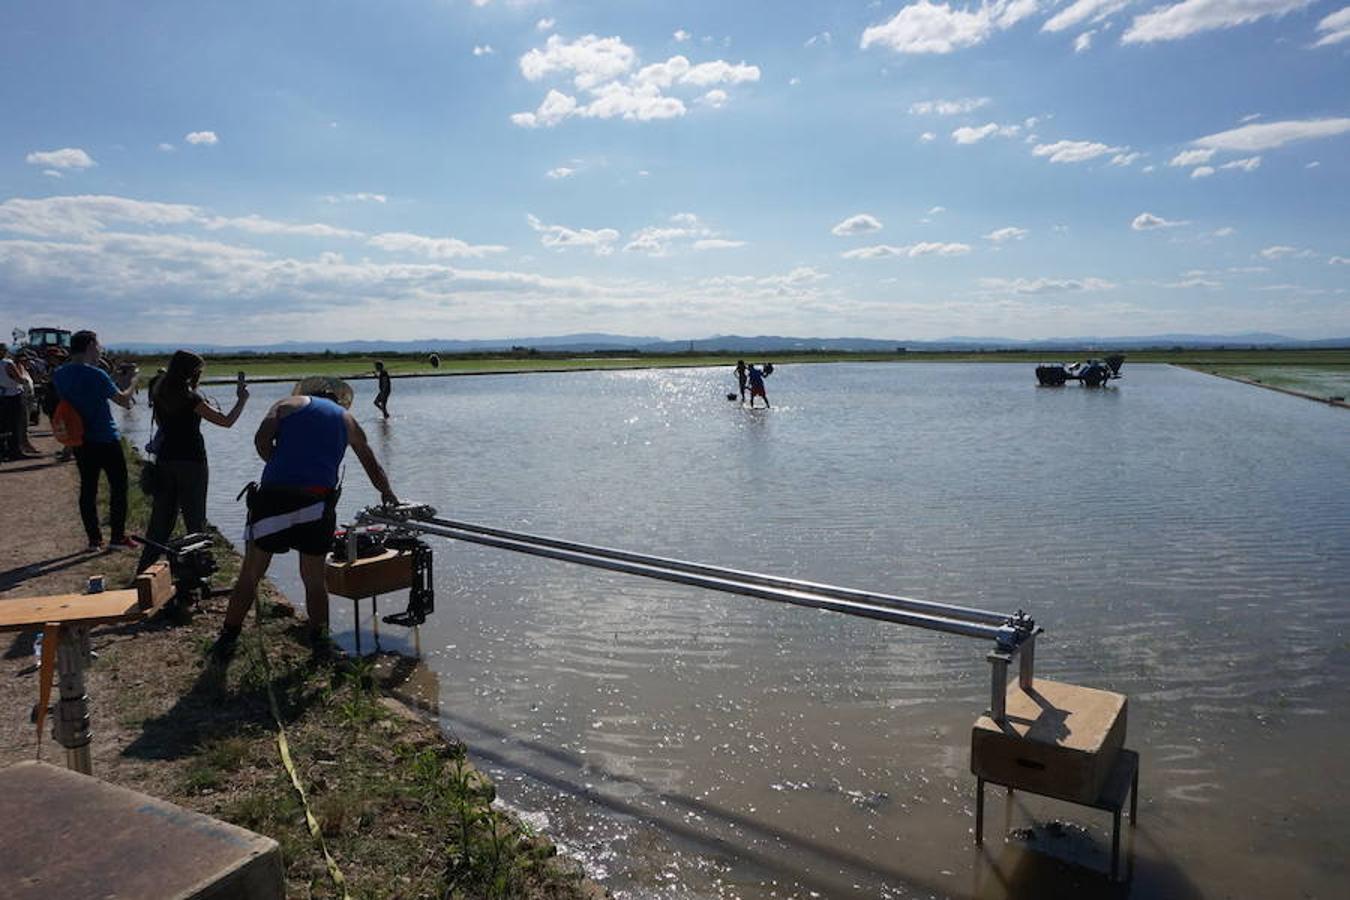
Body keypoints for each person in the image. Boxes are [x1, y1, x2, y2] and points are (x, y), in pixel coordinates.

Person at [210, 376, 398, 664]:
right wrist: (387, 492)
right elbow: (370, 462)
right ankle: (320, 645)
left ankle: (227, 638)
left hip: (274, 498)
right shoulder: (347, 420)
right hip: (317, 503)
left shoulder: (285, 404)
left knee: (251, 573)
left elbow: (261, 440)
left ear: (307, 392)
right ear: (338, 400)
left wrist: (278, 463)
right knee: (314, 579)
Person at [137, 350, 249, 572]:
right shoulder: (191, 398)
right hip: (192, 462)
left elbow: (162, 425)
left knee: (161, 520)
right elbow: (226, 421)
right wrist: (241, 400)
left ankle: (144, 570)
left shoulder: (159, 391)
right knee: (195, 520)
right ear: (191, 371)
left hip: (165, 460)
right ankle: (197, 571)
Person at [51, 330, 137, 550]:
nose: (100, 349)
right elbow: (124, 401)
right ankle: (117, 538)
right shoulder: (97, 375)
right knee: (119, 487)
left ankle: (94, 539)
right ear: (90, 345)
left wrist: (111, 379)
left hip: (80, 438)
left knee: (88, 489)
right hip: (106, 437)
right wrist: (133, 381)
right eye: (98, 345)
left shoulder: (60, 374)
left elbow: (83, 395)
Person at [1, 344, 40, 459]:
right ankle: (15, 451)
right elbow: (19, 379)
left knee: (3, 425)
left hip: (2, 396)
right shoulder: (7, 363)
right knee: (16, 424)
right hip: (14, 395)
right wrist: (25, 380)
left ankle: (4, 450)